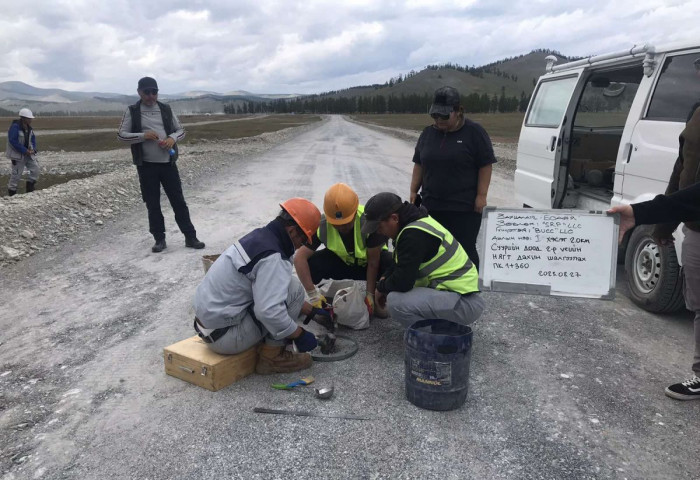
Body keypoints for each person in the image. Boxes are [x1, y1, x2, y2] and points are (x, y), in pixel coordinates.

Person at [609, 97, 700, 401]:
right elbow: (682, 173)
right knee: (699, 306)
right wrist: (663, 226)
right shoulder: (697, 111)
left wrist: (641, 212)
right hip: (696, 228)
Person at [193, 198, 322, 374]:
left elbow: (264, 287)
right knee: (294, 291)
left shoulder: (261, 237)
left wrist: (310, 311)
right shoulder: (273, 257)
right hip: (225, 337)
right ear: (292, 231)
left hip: (209, 324)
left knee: (289, 286)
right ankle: (272, 358)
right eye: (304, 240)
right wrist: (299, 334)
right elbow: (269, 311)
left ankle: (265, 342)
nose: (302, 246)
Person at [361, 192, 485, 328]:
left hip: (464, 303)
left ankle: (431, 339)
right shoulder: (410, 226)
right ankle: (439, 328)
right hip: (456, 296)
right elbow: (398, 264)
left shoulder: (413, 235)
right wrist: (384, 280)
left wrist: (381, 288)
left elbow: (403, 282)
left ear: (394, 218)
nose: (378, 232)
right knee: (395, 292)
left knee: (395, 302)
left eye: (379, 227)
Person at [409, 86, 496, 271]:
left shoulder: (474, 133)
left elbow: (485, 165)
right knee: (433, 248)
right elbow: (419, 164)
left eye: (444, 116)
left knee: (464, 249)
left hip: (463, 207)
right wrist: (413, 191)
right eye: (435, 116)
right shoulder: (427, 134)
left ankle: (470, 290)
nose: (439, 120)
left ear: (458, 111)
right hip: (431, 205)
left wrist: (482, 195)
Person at [118, 76, 204, 253]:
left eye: (154, 92)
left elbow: (181, 131)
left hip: (168, 164)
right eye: (146, 92)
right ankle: (159, 239)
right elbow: (121, 135)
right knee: (153, 204)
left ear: (157, 92)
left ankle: (190, 237)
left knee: (178, 201)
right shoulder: (132, 110)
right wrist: (142, 136)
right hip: (146, 166)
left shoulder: (165, 109)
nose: (150, 96)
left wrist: (172, 139)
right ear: (139, 92)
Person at [294, 183, 393, 318]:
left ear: (353, 213)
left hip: (370, 266)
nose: (341, 228)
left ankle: (380, 298)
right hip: (343, 265)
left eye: (346, 223)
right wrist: (312, 294)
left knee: (393, 264)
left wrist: (370, 295)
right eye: (336, 225)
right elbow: (299, 258)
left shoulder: (369, 221)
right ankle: (321, 298)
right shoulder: (323, 225)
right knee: (312, 263)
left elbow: (373, 262)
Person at [6, 108, 39, 196]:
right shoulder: (15, 127)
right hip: (18, 156)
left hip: (28, 154)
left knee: (35, 169)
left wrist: (33, 149)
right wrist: (24, 150)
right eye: (29, 118)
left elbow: (33, 139)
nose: (31, 120)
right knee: (16, 175)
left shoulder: (30, 128)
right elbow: (13, 141)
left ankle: (30, 189)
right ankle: (12, 194)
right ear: (24, 118)